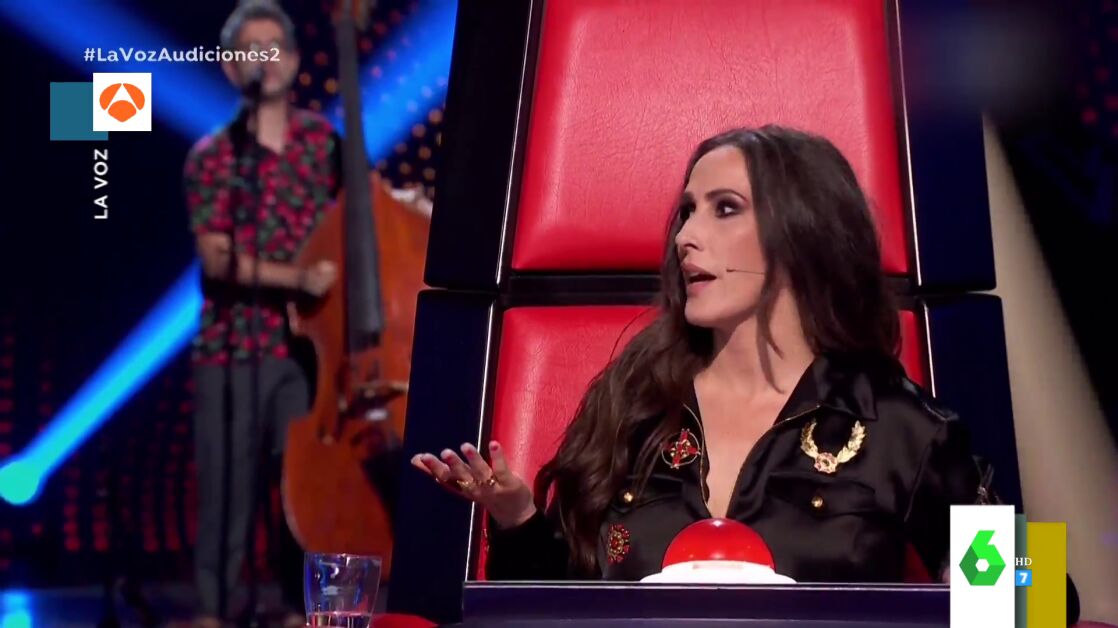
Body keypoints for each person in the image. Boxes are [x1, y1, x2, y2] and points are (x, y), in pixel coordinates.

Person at [411, 125, 996, 583]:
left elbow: (1025, 597)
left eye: (725, 208)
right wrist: (516, 518)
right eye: (688, 211)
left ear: (804, 230)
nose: (685, 236)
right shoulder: (635, 401)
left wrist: (979, 592)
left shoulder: (904, 425)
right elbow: (558, 602)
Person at [184, 2, 428, 626]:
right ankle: (215, 612)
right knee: (227, 488)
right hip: (232, 345)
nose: (264, 59)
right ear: (231, 65)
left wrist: (407, 208)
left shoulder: (323, 143)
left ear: (293, 60)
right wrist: (296, 278)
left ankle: (301, 606)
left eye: (274, 46)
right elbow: (216, 258)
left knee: (301, 481)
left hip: (311, 352)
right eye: (251, 48)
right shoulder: (213, 156)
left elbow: (368, 206)